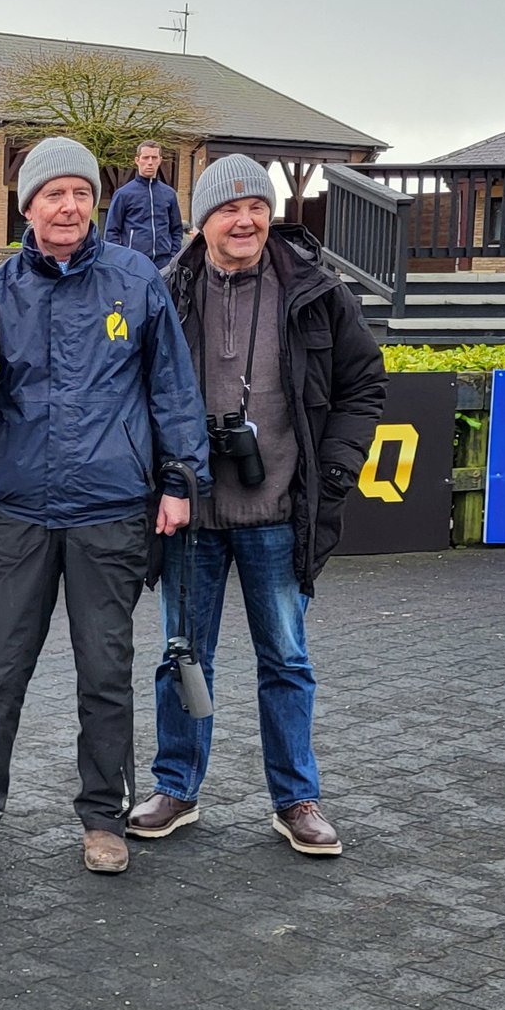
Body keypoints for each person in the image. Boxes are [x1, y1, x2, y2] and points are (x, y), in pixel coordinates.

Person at [0, 135, 208, 876]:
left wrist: (179, 481)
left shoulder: (136, 280)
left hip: (111, 510)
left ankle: (103, 817)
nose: (69, 206)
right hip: (22, 512)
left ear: (93, 203)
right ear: (28, 208)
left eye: (79, 193)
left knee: (105, 671)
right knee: (0, 669)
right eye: (53, 195)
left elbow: (174, 388)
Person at [128, 156, 386, 858]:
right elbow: (133, 391)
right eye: (228, 209)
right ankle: (176, 787)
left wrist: (333, 471)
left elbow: (364, 385)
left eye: (256, 208)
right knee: (183, 658)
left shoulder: (316, 290)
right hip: (192, 512)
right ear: (202, 219)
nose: (244, 221)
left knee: (288, 660)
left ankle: (296, 798)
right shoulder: (163, 290)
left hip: (278, 511)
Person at [104, 141, 185, 270]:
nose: (150, 162)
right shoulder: (124, 194)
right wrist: (121, 259)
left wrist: (173, 256)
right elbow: (111, 231)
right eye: (146, 157)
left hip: (164, 264)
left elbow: (176, 229)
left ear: (160, 160)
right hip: (133, 263)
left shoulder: (169, 194)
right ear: (137, 160)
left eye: (154, 158)